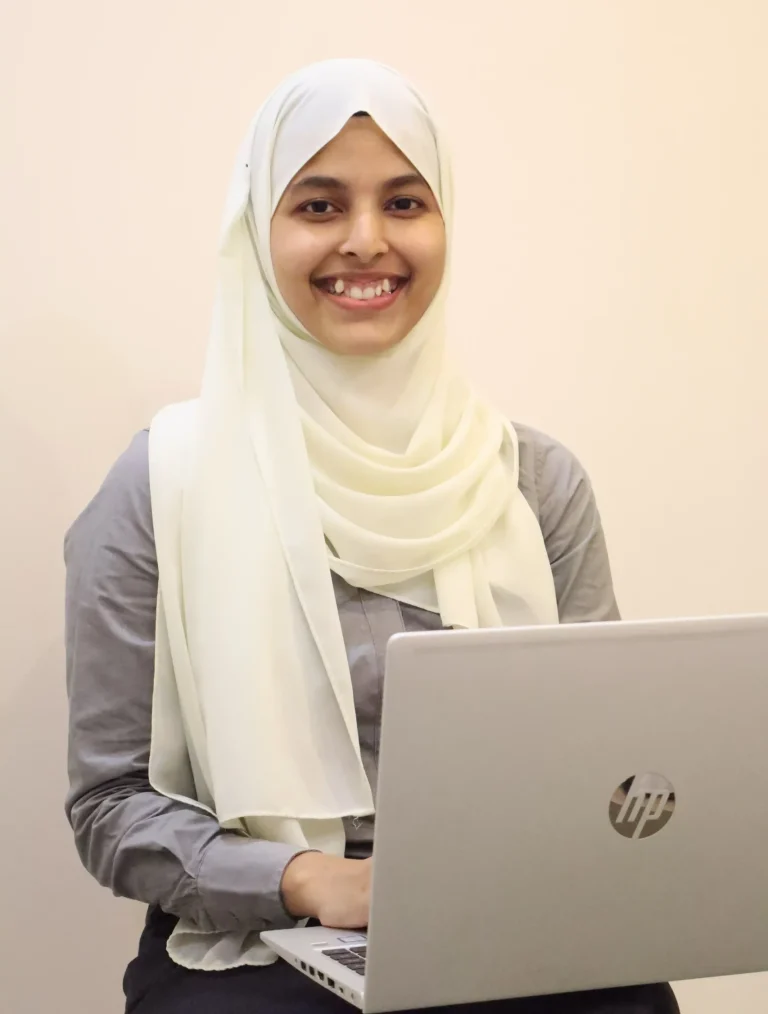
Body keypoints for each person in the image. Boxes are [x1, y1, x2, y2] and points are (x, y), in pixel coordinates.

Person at [64, 59, 680, 1014]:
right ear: (256, 231)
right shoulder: (162, 484)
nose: (366, 242)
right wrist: (311, 881)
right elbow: (109, 806)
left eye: (404, 202)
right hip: (261, 940)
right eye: (317, 205)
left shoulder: (532, 481)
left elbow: (602, 761)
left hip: (510, 917)